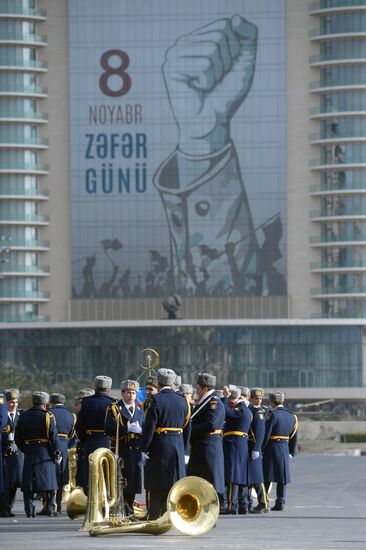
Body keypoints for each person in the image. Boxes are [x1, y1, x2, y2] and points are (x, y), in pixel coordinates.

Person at [140, 368, 190, 520]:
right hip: (178, 444)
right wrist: (186, 450)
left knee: (156, 482)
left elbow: (150, 427)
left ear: (159, 383)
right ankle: (173, 515)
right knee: (174, 482)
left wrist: (144, 448)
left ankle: (154, 514)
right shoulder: (183, 400)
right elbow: (188, 426)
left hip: (160, 444)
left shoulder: (156, 400)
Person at [14, 391, 61, 517]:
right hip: (45, 451)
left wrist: (26, 448)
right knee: (50, 483)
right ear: (45, 404)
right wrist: (57, 452)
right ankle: (50, 509)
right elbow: (54, 437)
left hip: (29, 450)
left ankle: (29, 510)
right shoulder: (48, 416)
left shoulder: (23, 415)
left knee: (28, 484)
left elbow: (18, 438)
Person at [105, 379, 145, 514]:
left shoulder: (140, 409)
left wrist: (142, 432)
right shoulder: (114, 408)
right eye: (128, 392)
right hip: (122, 448)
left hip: (136, 450)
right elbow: (108, 428)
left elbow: (145, 427)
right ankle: (126, 511)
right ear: (122, 393)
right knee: (123, 481)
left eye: (134, 393)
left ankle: (129, 509)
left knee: (134, 482)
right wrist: (125, 429)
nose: (131, 396)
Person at [187, 373, 225, 508]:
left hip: (208, 448)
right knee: (198, 482)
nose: (196, 390)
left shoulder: (214, 402)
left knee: (209, 483)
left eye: (198, 387)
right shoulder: (205, 402)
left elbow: (211, 424)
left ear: (204, 388)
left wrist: (190, 430)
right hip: (201, 448)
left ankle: (210, 515)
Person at [75, 376, 115, 494]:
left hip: (90, 440)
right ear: (108, 389)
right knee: (105, 471)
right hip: (105, 441)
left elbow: (79, 424)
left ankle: (90, 499)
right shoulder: (112, 403)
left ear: (95, 388)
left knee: (89, 471)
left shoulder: (86, 401)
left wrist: (84, 439)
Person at [262, 391, 298, 511]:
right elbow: (294, 435)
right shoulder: (292, 416)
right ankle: (280, 502)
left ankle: (264, 501)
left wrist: (261, 449)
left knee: (267, 476)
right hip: (284, 447)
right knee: (282, 477)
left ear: (272, 402)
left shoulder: (272, 414)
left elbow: (266, 434)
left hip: (271, 447)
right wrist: (291, 451)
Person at [221, 386, 252, 514]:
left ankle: (231, 506)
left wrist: (224, 398)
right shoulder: (244, 409)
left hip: (234, 444)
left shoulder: (240, 409)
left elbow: (225, 411)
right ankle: (242, 505)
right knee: (239, 475)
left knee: (232, 476)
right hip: (239, 445)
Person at [48, 393, 76, 513]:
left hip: (49, 445)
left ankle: (49, 506)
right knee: (61, 479)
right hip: (64, 445)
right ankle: (58, 505)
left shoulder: (48, 413)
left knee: (50, 477)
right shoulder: (71, 415)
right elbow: (71, 434)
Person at [0, 389, 23, 517]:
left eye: (15, 402)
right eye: (11, 402)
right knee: (5, 482)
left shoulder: (21, 416)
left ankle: (9, 507)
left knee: (14, 482)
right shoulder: (2, 415)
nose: (13, 405)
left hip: (16, 453)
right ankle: (3, 507)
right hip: (4, 451)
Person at [248, 387, 268, 513]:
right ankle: (250, 502)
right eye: (256, 398)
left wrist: (256, 448)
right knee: (250, 476)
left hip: (254, 447)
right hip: (248, 446)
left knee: (257, 477)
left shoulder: (259, 412)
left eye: (260, 398)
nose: (259, 400)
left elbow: (260, 433)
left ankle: (263, 502)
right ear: (251, 398)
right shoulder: (251, 409)